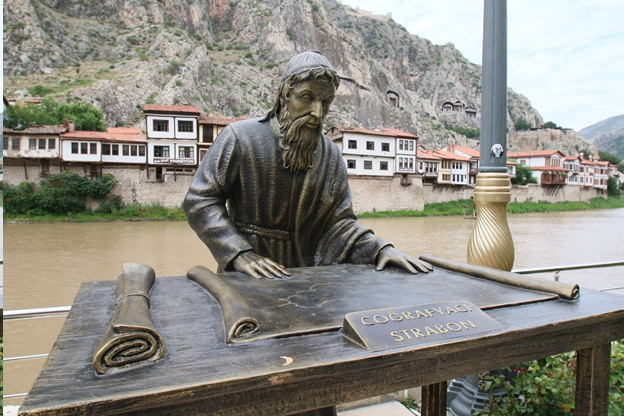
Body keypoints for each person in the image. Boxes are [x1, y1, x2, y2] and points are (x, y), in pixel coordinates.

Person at [184, 51, 432, 279]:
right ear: (285, 96)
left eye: (326, 102)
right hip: (251, 273)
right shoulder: (240, 137)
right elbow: (200, 200)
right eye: (307, 98)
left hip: (305, 276)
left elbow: (339, 225)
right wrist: (239, 253)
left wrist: (380, 249)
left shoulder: (331, 154)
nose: (317, 112)